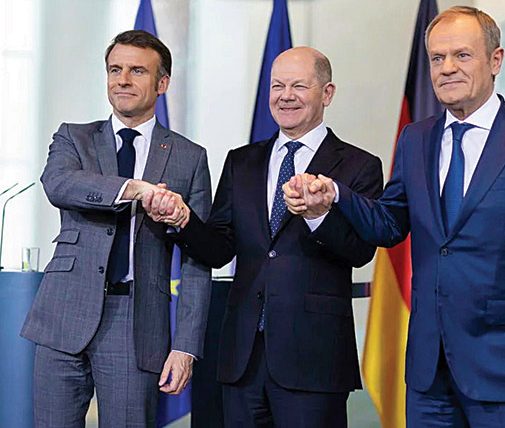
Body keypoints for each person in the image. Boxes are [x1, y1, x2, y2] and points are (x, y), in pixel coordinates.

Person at [283, 7, 505, 427]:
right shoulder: (416, 138)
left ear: (496, 60)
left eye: (462, 55)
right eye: (436, 58)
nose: (447, 68)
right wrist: (336, 196)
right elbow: (389, 224)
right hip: (429, 372)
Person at [154, 47, 383, 427]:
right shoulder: (242, 161)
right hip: (242, 358)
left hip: (313, 360)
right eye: (277, 86)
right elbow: (220, 248)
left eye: (298, 86)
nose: (285, 96)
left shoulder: (359, 165)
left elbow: (360, 251)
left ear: (327, 93)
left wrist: (318, 216)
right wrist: (184, 220)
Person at [21, 29, 212, 427]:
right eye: (114, 69)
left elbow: (198, 260)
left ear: (162, 83)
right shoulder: (75, 137)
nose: (122, 80)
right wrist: (136, 189)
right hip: (63, 313)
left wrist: (186, 347)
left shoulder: (189, 157)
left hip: (136, 323)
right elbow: (59, 184)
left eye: (137, 71)